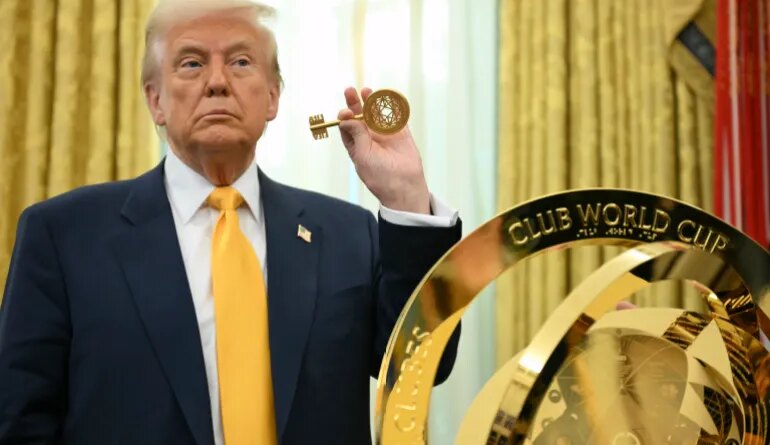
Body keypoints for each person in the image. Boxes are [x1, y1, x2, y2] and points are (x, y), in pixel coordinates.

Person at [0, 1, 460, 444]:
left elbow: (423, 367)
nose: (218, 82)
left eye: (240, 62)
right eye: (192, 64)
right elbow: (20, 422)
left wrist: (406, 197)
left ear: (273, 96)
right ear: (155, 100)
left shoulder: (348, 235)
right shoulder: (64, 237)